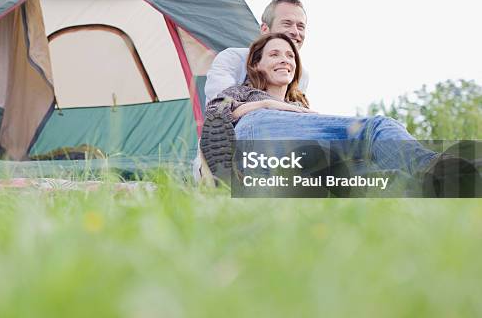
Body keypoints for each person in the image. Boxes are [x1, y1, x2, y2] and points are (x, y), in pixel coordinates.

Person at [200, 32, 480, 197]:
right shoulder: (242, 91)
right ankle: (434, 165)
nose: (284, 59)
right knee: (376, 128)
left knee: (362, 172)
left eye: (289, 56)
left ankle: (432, 181)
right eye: (274, 55)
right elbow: (218, 114)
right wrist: (265, 105)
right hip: (257, 132)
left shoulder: (304, 109)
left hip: (292, 158)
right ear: (257, 65)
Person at [205, 0, 310, 104]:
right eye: (287, 24)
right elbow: (221, 104)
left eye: (300, 26)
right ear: (265, 29)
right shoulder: (233, 58)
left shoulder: (301, 74)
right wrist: (267, 105)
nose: (295, 32)